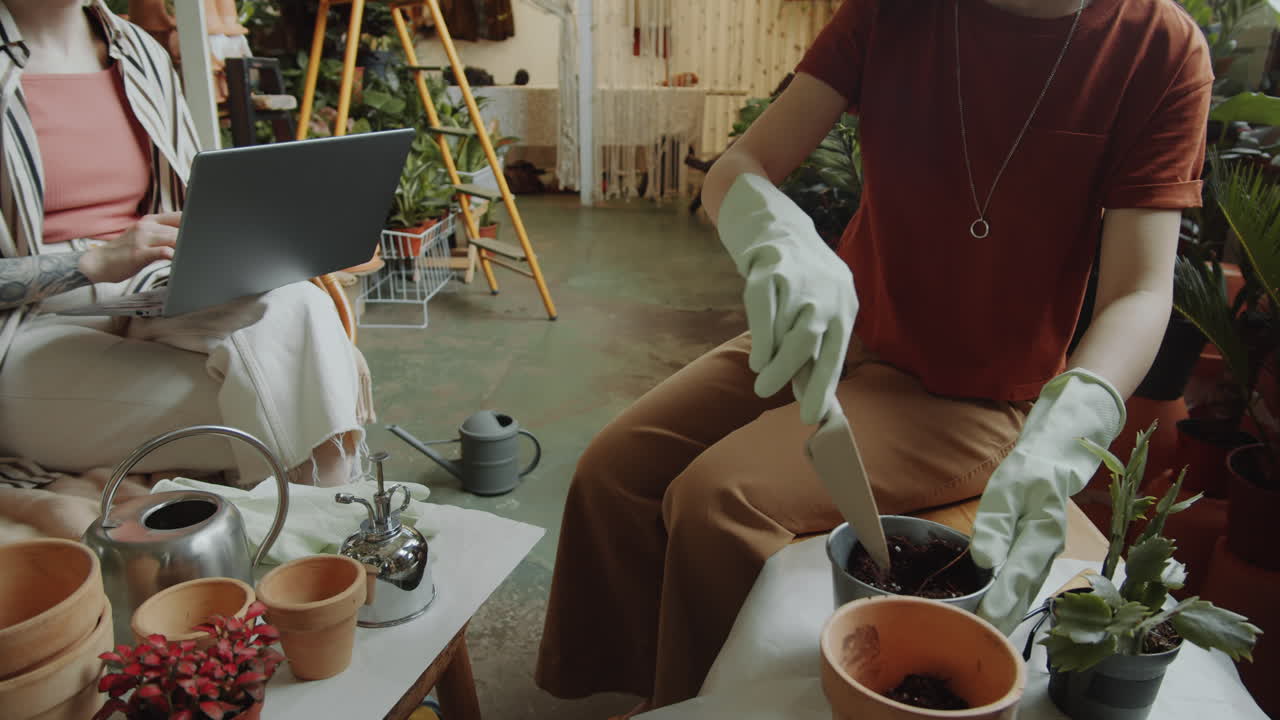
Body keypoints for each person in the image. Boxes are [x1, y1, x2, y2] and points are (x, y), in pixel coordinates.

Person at [536, 0, 1211, 713]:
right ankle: (644, 687)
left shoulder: (1155, 47)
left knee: (717, 505)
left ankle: (701, 703)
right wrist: (772, 229)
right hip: (835, 336)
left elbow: (1140, 289)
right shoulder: (895, 12)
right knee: (617, 469)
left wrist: (1075, 414)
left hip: (968, 394)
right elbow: (740, 165)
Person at [0, 0, 374, 490]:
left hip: (151, 288)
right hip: (29, 325)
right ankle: (337, 538)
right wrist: (93, 262)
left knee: (301, 308)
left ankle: (318, 538)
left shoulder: (142, 54)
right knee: (306, 402)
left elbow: (188, 205)